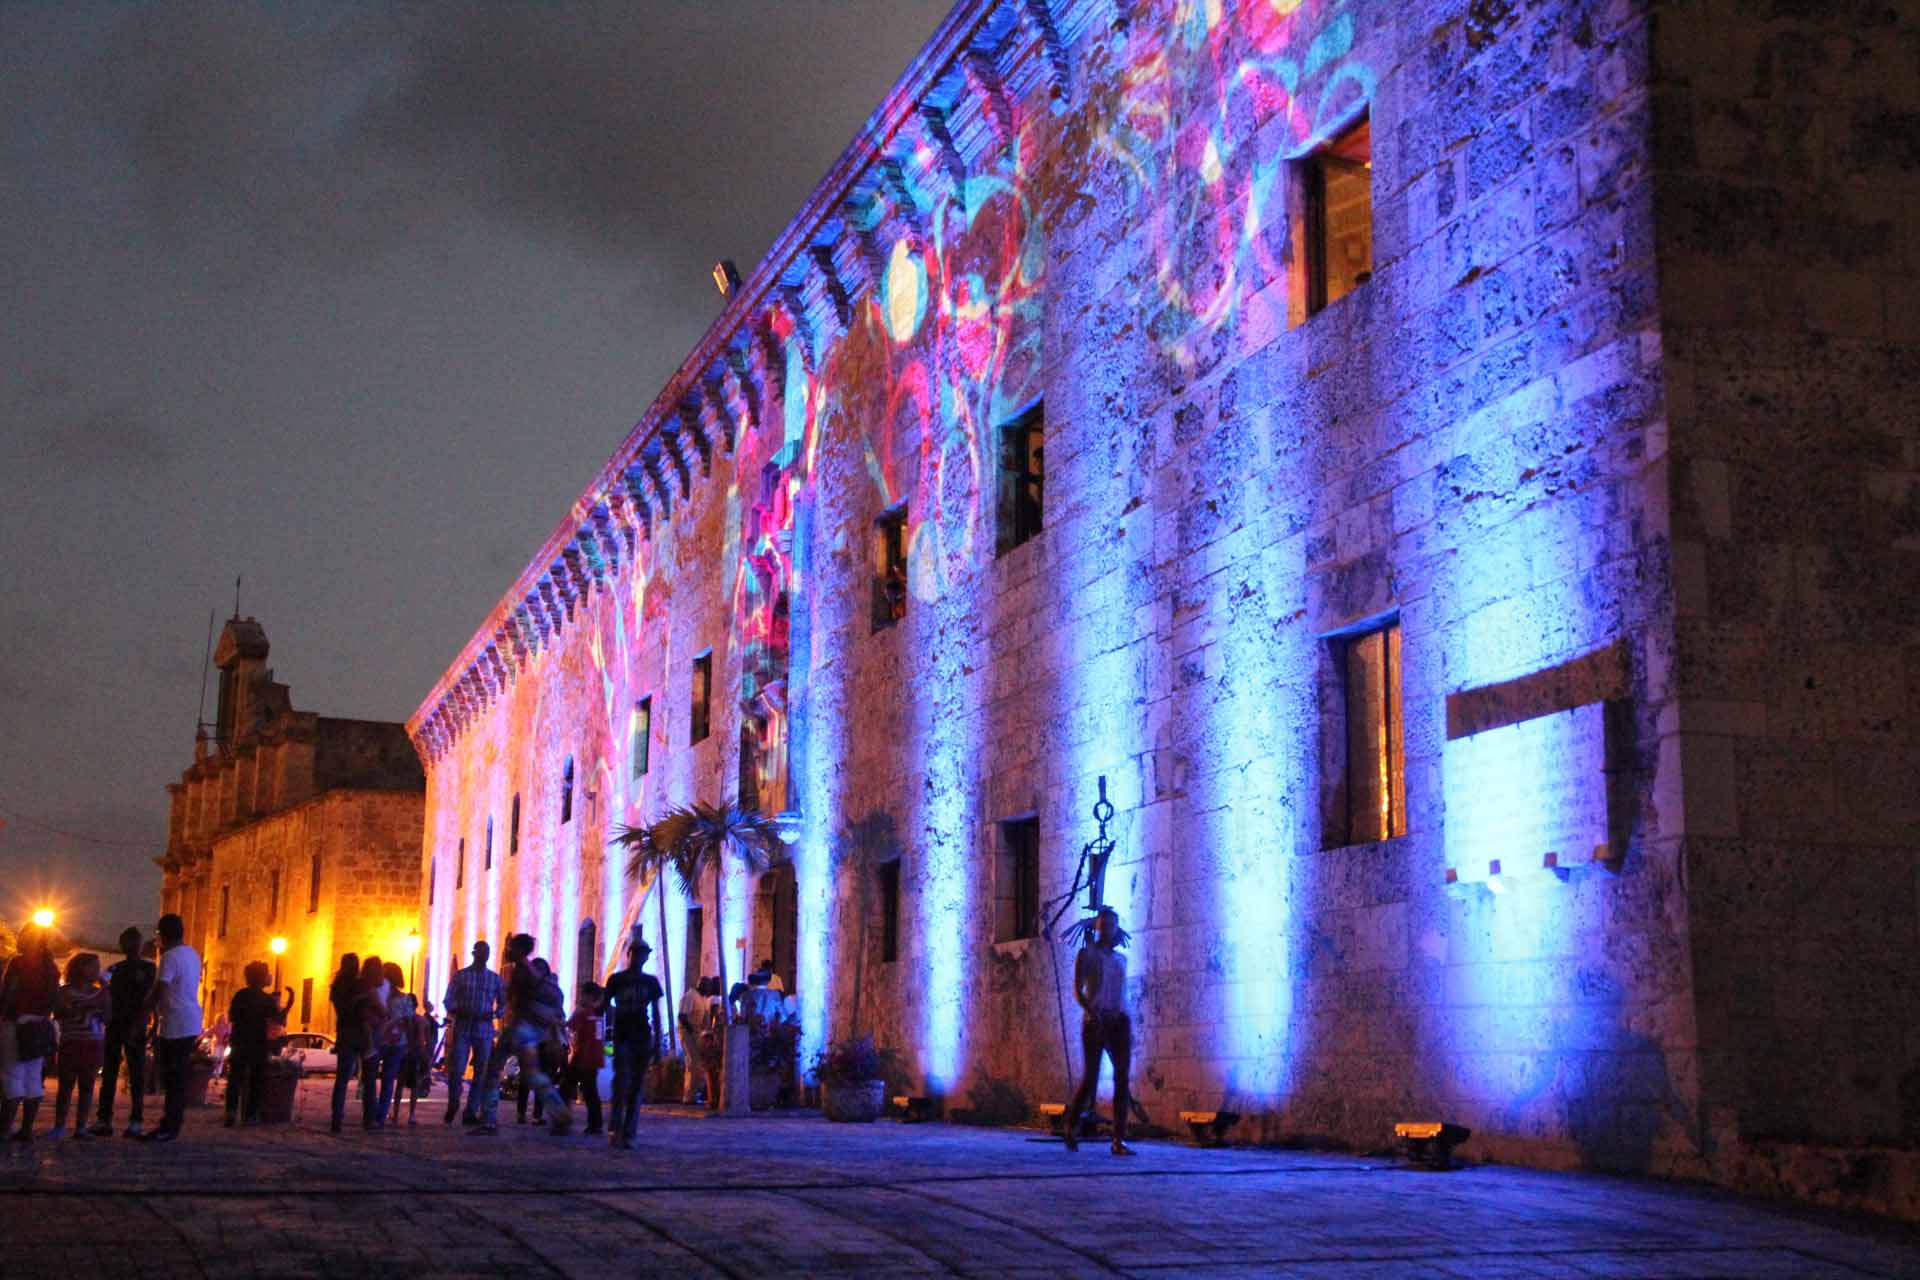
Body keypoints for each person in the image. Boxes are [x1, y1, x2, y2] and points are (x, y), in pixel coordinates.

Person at [471, 934, 570, 1136]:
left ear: (519, 949)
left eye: (510, 947)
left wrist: (514, 1022)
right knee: (532, 1075)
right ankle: (560, 1114)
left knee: (493, 1070)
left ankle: (488, 1121)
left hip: (521, 1028)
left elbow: (521, 1002)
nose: (507, 950)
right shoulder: (534, 971)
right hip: (531, 1030)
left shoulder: (523, 970)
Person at [1062, 906, 1134, 1156]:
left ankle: (1119, 1139)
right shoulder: (1087, 954)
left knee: (1122, 1078)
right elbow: (1077, 989)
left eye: (1112, 925)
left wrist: (1124, 1018)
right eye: (1103, 925)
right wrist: (1090, 1010)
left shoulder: (1121, 959)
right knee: (1091, 1077)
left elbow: (1122, 992)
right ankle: (1071, 1126)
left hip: (1120, 1021)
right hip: (1096, 1020)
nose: (1108, 929)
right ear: (1097, 927)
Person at [143, 912, 203, 1143]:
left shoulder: (169, 957)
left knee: (172, 1076)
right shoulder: (192, 954)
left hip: (175, 1021)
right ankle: (171, 1122)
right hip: (191, 1019)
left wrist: (149, 1011)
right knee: (177, 1075)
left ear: (162, 935)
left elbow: (162, 988)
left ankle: (170, 1125)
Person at [0, 925, 61, 1141]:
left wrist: (4, 1013)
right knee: (33, 1078)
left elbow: (9, 993)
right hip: (39, 1025)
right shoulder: (51, 967)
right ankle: (26, 1129)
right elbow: (54, 998)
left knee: (11, 1075)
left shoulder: (18, 963)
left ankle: (4, 1128)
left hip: (16, 1023)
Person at [93, 926, 156, 1137]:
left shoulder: (140, 969)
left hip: (131, 1024)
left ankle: (126, 1119)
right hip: (121, 1024)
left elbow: (150, 996)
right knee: (117, 1073)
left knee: (131, 1074)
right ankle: (111, 1119)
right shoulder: (130, 969)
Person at [605, 935, 663, 1148]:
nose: (640, 958)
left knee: (637, 1085)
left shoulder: (651, 982)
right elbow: (605, 1007)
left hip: (642, 1035)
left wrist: (657, 1042)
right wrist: (608, 1038)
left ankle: (629, 1133)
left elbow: (656, 1012)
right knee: (621, 1082)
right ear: (629, 954)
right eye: (637, 953)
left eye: (643, 954)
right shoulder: (616, 980)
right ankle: (615, 1129)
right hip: (622, 1035)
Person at [441, 940, 502, 1125]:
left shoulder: (495, 979)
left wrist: (495, 1014)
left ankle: (470, 1111)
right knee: (457, 1069)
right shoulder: (461, 976)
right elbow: (448, 1000)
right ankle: (453, 1102)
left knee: (480, 1072)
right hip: (464, 1027)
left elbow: (503, 1003)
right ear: (474, 953)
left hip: (484, 1029)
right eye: (481, 952)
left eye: (486, 952)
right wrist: (458, 1010)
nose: (484, 955)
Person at [49, 952, 110, 1139]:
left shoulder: (100, 992)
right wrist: (84, 1008)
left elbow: (108, 1017)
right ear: (80, 968)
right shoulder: (65, 991)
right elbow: (59, 1013)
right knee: (65, 1086)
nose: (97, 970)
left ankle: (81, 1127)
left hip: (93, 1042)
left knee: (87, 1086)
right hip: (71, 1042)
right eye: (93, 966)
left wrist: (105, 990)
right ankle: (59, 1126)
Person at [224, 961, 292, 1127]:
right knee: (256, 1080)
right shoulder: (266, 1000)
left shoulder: (240, 995)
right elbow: (279, 1020)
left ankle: (231, 1113)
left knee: (235, 1079)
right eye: (267, 973)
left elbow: (232, 1016)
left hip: (239, 1041)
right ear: (262, 977)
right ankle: (250, 1115)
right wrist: (290, 1002)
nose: (270, 976)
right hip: (258, 1043)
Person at [326, 953, 372, 1134]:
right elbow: (365, 1009)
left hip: (344, 1032)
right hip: (360, 1032)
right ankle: (368, 1118)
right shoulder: (360, 985)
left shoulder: (337, 987)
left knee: (342, 1080)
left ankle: (336, 1119)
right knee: (368, 1078)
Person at [373, 962, 416, 1128]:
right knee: (388, 1080)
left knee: (373, 1078)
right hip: (398, 1043)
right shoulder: (405, 999)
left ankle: (374, 1113)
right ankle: (380, 1116)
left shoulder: (379, 996)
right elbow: (409, 1022)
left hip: (381, 1041)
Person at [564, 982, 606, 1137]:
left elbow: (570, 1025)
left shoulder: (583, 1013)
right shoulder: (598, 1013)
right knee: (591, 1092)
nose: (580, 997)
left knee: (566, 1088)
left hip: (582, 1057)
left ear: (588, 996)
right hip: (594, 1057)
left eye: (582, 994)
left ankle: (562, 1119)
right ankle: (596, 1125)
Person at [677, 976, 711, 1103]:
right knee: (692, 1063)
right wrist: (692, 1031)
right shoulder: (690, 996)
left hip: (695, 1034)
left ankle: (693, 1094)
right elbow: (682, 1016)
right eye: (708, 986)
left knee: (697, 1063)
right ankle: (689, 1096)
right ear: (701, 985)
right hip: (688, 1034)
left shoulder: (701, 998)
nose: (709, 989)